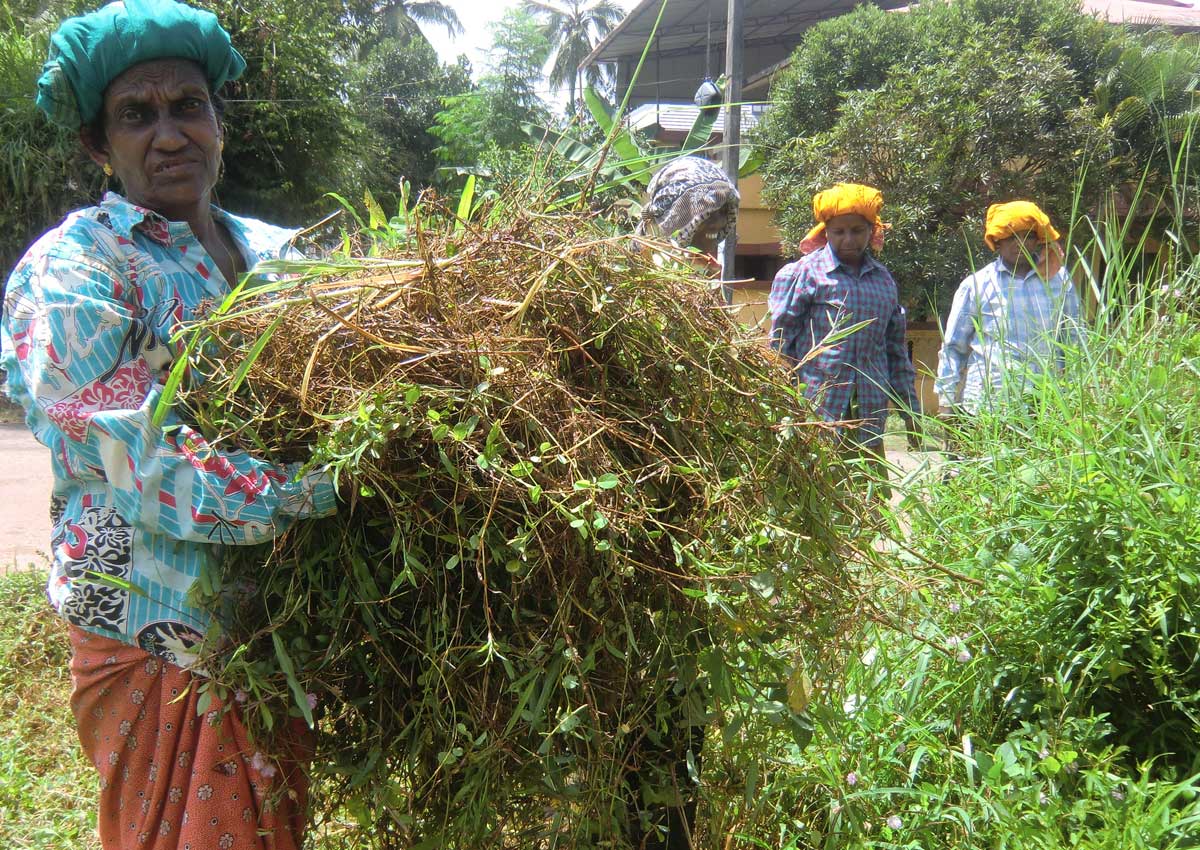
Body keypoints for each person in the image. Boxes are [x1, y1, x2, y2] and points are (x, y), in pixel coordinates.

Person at [0, 2, 337, 847]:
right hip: (152, 630)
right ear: (97, 145)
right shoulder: (78, 266)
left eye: (188, 105)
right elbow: (130, 454)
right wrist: (319, 492)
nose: (170, 133)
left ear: (220, 122)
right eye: (136, 114)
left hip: (274, 630)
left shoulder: (287, 257)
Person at [622, 156, 739, 850]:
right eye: (698, 228)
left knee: (680, 703)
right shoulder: (619, 284)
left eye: (715, 236)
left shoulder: (703, 300)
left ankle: (670, 824)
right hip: (627, 537)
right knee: (631, 701)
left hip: (685, 542)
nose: (705, 249)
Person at [767, 183, 919, 459]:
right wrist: (779, 403)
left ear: (872, 231)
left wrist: (910, 412)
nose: (848, 239)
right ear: (826, 232)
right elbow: (779, 346)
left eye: (857, 231)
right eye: (839, 231)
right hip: (815, 413)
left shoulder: (883, 281)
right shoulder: (803, 274)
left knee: (868, 496)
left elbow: (895, 352)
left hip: (868, 418)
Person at [935, 200, 1081, 416]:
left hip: (1047, 406)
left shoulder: (1059, 280)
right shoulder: (977, 285)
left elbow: (1075, 340)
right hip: (988, 405)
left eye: (1028, 236)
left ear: (1037, 240)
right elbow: (954, 347)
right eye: (1011, 236)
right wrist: (946, 404)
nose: (1019, 243)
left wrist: (1078, 399)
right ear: (997, 241)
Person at [638, 154, 740, 271]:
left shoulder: (700, 272)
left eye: (723, 211)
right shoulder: (640, 273)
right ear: (675, 217)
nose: (719, 223)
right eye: (708, 213)